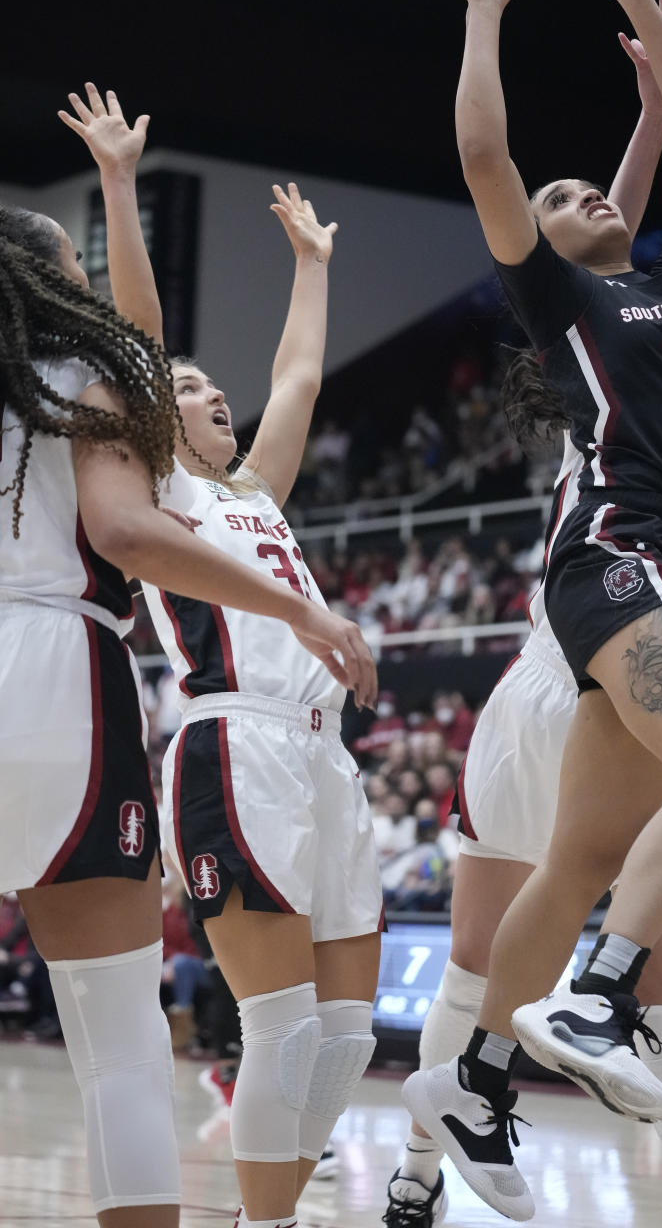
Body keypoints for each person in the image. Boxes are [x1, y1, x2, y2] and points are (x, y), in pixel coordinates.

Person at [402, 0, 662, 1221]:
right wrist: (487, 21)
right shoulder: (563, 304)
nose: (579, 196)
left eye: (591, 187)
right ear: (541, 252)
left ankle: (475, 1078)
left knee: (574, 858)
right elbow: (490, 157)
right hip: (623, 559)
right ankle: (602, 997)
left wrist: (642, 27)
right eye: (565, 199)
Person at [0, 183, 373, 1228]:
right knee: (145, 1048)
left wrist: (312, 264)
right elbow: (140, 335)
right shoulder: (139, 447)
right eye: (190, 385)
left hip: (316, 746)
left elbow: (296, 378)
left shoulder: (254, 491)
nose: (209, 393)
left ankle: (277, 1206)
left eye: (215, 387)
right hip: (184, 717)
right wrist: (121, 189)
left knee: (338, 1033)